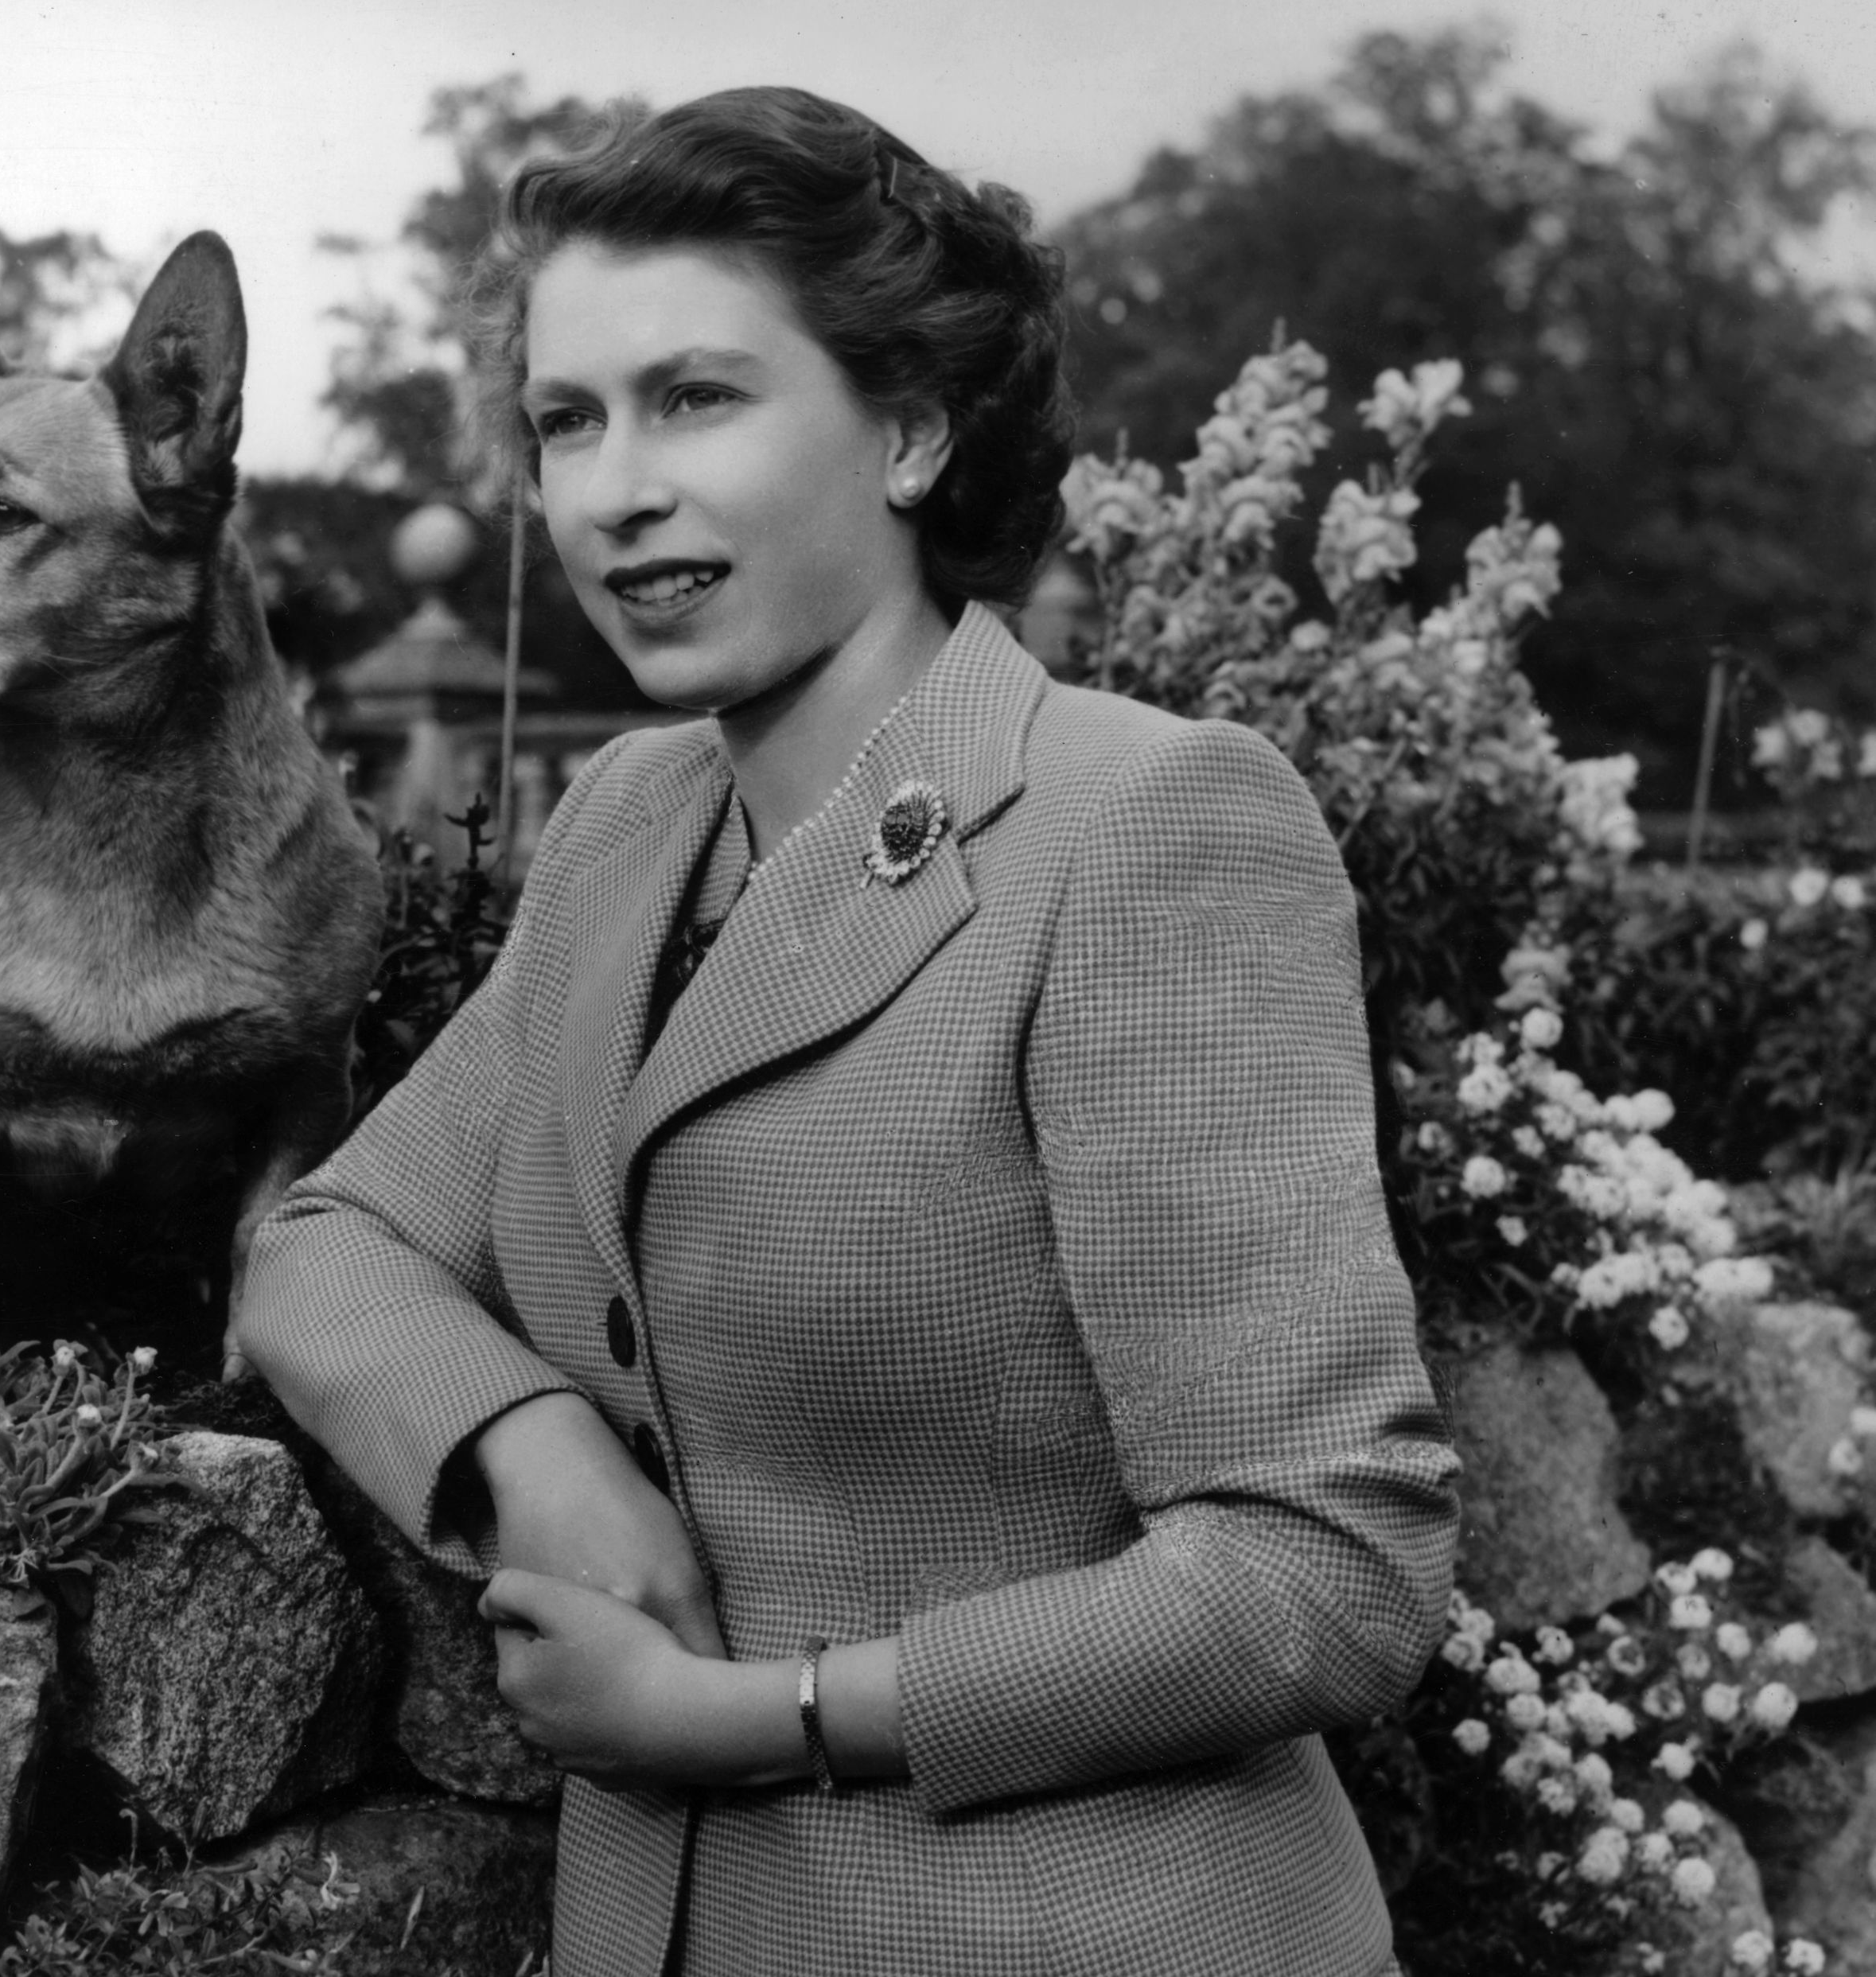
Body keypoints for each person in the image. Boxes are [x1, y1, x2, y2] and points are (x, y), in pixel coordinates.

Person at [235, 85, 1458, 1977]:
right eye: (568, 419)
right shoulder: (627, 829)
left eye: (697, 398)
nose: (613, 486)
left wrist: (761, 1714)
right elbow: (326, 1244)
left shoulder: (1145, 823)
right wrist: (532, 1443)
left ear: (905, 429)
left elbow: (1322, 1571)